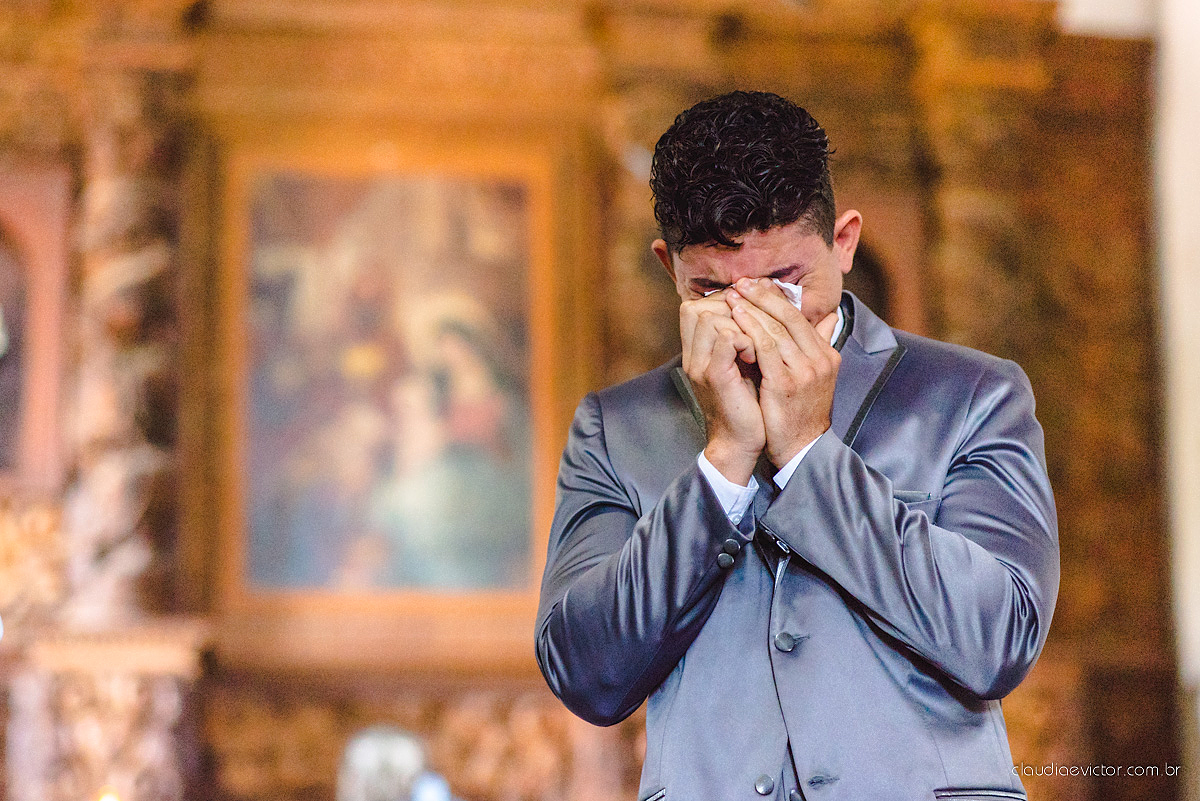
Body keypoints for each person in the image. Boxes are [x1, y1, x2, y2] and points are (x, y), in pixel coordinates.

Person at [535, 91, 1059, 800]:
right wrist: (721, 464)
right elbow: (587, 673)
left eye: (784, 283)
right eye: (713, 290)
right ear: (669, 268)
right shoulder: (614, 428)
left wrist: (813, 454)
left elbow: (999, 638)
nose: (752, 320)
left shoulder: (974, 394)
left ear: (844, 242)